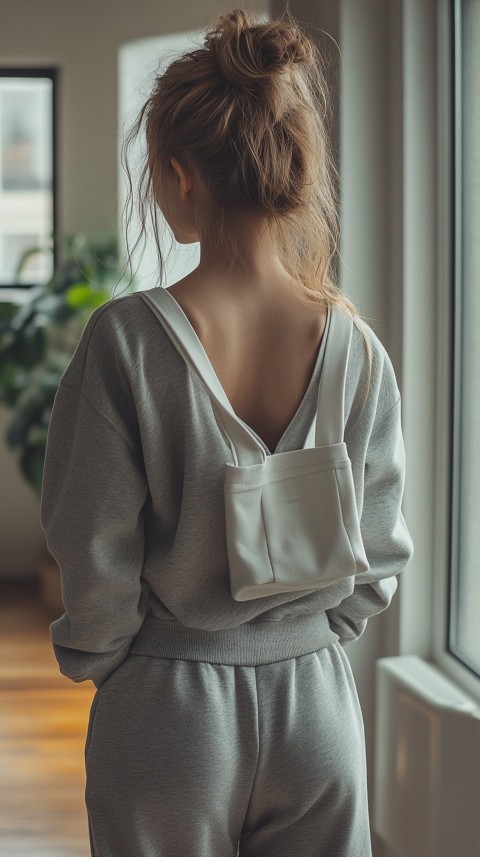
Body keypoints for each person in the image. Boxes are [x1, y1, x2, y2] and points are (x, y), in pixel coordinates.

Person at [40, 9, 414, 857]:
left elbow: (92, 547)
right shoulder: (358, 350)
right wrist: (300, 640)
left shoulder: (127, 342)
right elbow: (379, 555)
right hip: (318, 710)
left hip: (165, 712)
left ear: (181, 178)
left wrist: (112, 660)